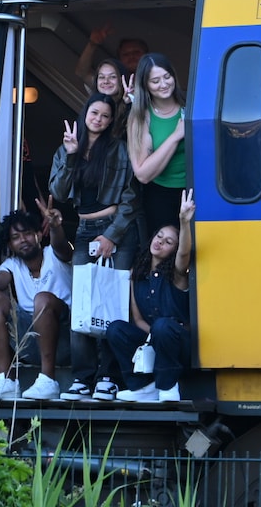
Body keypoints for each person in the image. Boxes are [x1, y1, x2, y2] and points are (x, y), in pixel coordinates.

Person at [49, 93, 142, 401]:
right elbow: (59, 192)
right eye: (94, 113)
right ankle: (82, 377)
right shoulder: (67, 147)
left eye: (104, 115)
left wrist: (112, 236)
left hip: (116, 228)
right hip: (85, 229)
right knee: (84, 303)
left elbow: (131, 196)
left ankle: (108, 377)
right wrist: (72, 154)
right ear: (84, 113)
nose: (98, 119)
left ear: (110, 119)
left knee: (114, 303)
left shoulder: (117, 149)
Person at [0, 199, 72, 401]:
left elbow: (62, 246)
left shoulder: (54, 254)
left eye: (27, 233)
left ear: (38, 235)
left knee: (42, 299)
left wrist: (55, 227)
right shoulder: (12, 264)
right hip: (31, 343)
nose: (23, 240)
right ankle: (7, 381)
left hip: (66, 340)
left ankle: (48, 380)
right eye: (16, 237)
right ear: (10, 244)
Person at [106, 189, 195, 402]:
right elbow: (137, 320)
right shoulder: (137, 274)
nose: (160, 242)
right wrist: (151, 337)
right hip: (153, 338)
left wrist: (184, 222)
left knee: (163, 326)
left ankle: (168, 385)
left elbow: (184, 253)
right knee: (116, 328)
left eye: (168, 242)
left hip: (178, 342)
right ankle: (143, 386)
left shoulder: (177, 274)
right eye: (159, 236)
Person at [126, 52, 187, 235]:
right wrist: (176, 136)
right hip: (161, 197)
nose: (163, 84)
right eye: (155, 81)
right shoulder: (140, 117)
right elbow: (143, 174)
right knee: (166, 256)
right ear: (145, 85)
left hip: (199, 190)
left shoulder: (190, 104)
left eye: (167, 77)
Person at [75, 22, 149, 90]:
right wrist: (92, 44)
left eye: (136, 52)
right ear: (119, 59)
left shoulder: (158, 81)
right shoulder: (111, 84)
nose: (132, 56)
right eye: (126, 54)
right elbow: (82, 73)